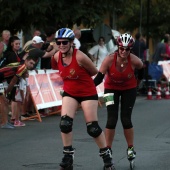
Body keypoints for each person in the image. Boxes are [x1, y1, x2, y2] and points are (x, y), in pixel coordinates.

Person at [51, 28, 115, 170]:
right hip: (70, 92)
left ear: (72, 42)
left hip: (87, 92)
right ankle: (68, 156)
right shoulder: (56, 56)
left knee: (92, 128)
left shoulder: (80, 56)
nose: (61, 45)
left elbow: (94, 72)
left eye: (65, 42)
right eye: (59, 42)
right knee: (65, 123)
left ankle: (106, 156)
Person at [94, 33, 143, 162]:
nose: (124, 51)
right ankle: (108, 148)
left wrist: (136, 86)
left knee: (126, 119)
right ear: (118, 47)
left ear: (130, 49)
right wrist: (87, 88)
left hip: (129, 90)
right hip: (110, 89)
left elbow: (142, 72)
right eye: (121, 48)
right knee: (111, 119)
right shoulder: (109, 59)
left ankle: (130, 148)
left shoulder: (135, 61)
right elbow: (99, 78)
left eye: (127, 49)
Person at [0, 55, 37, 129]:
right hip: (1, 79)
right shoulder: (23, 67)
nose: (32, 65)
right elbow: (13, 81)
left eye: (33, 64)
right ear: (26, 61)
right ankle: (4, 123)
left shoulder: (21, 65)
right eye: (31, 63)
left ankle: (5, 121)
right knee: (4, 102)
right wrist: (8, 91)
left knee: (5, 102)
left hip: (2, 79)